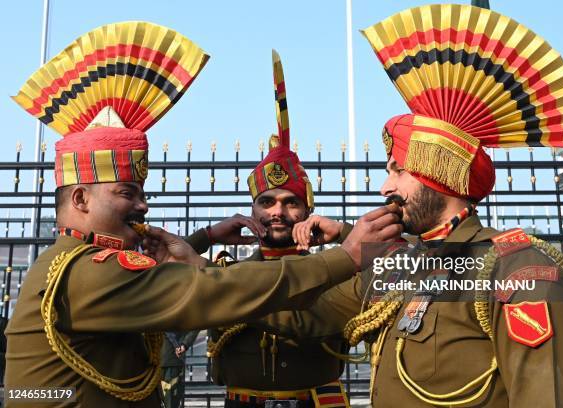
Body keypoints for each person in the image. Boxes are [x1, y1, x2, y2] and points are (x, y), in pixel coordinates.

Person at [4, 21, 401, 407]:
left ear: (308, 209)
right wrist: (346, 254)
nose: (144, 206)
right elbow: (215, 290)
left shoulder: (85, 265)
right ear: (80, 200)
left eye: (290, 202)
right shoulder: (89, 272)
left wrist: (205, 242)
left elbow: (351, 297)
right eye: (128, 193)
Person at [255, 4, 563, 407]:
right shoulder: (405, 265)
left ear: (439, 172)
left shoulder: (519, 270)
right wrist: (204, 273)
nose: (385, 187)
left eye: (398, 171)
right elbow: (304, 317)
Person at [193, 51, 351, 408]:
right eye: (267, 202)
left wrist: (344, 232)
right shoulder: (227, 273)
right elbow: (149, 272)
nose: (277, 212)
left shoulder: (337, 273)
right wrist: (208, 236)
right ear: (251, 210)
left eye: (290, 202)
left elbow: (407, 269)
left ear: (308, 210)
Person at [161, 330, 200, 408]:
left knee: (170, 402)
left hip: (172, 361)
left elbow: (195, 327)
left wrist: (184, 344)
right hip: (157, 361)